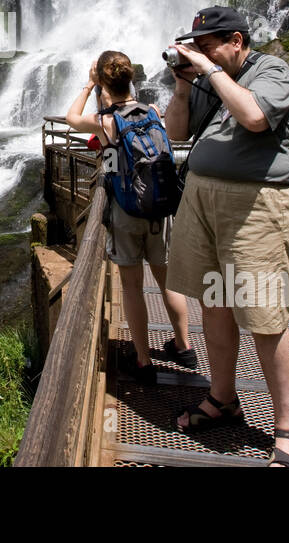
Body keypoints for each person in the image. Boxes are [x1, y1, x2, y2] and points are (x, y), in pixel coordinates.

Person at [163, 7, 289, 466]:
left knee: (265, 312)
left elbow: (253, 117)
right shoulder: (208, 79)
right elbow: (175, 132)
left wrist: (208, 69)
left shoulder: (273, 71)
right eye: (196, 46)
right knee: (214, 301)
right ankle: (222, 397)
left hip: (256, 208)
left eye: (207, 45)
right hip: (202, 201)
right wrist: (185, 85)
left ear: (237, 40)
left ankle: (288, 425)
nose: (199, 53)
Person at [65, 49, 196, 385]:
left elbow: (71, 118)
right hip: (160, 207)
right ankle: (184, 346)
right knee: (168, 280)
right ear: (130, 79)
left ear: (103, 82)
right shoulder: (150, 110)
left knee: (132, 286)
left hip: (125, 211)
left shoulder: (106, 121)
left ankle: (142, 359)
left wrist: (87, 85)